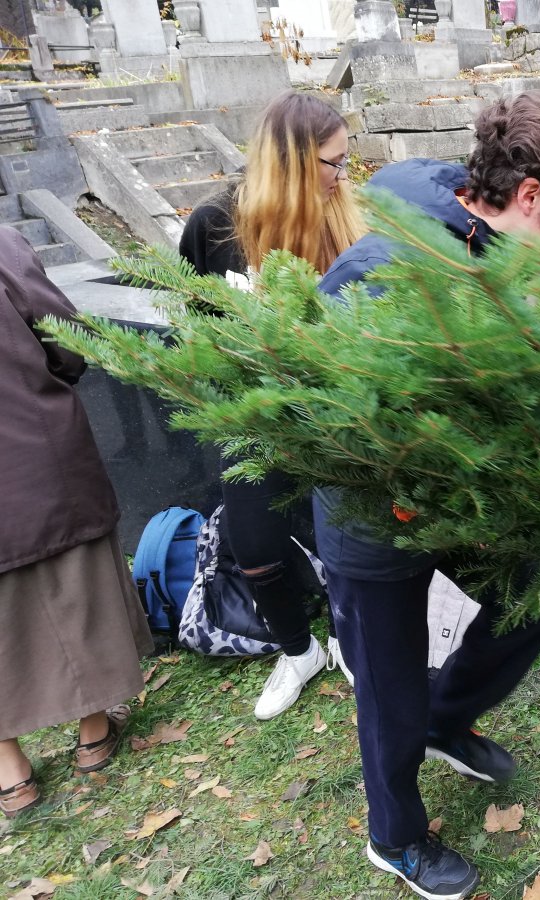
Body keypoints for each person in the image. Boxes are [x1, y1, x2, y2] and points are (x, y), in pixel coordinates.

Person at [315, 90, 540, 900]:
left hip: (467, 502)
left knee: (535, 588)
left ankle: (445, 720)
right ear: (529, 197)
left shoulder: (502, 256)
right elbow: (334, 418)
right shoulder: (386, 269)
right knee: (387, 684)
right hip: (374, 519)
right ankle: (396, 837)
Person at [179, 90, 365, 719]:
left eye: (346, 160)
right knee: (253, 541)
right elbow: (198, 323)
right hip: (254, 413)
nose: (344, 176)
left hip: (336, 412)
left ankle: (348, 641)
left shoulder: (342, 221)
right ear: (290, 162)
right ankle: (298, 648)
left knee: (345, 536)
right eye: (333, 163)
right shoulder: (215, 225)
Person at [0, 226, 155, 818]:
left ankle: (12, 773)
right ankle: (93, 730)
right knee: (76, 589)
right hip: (35, 449)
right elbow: (63, 337)